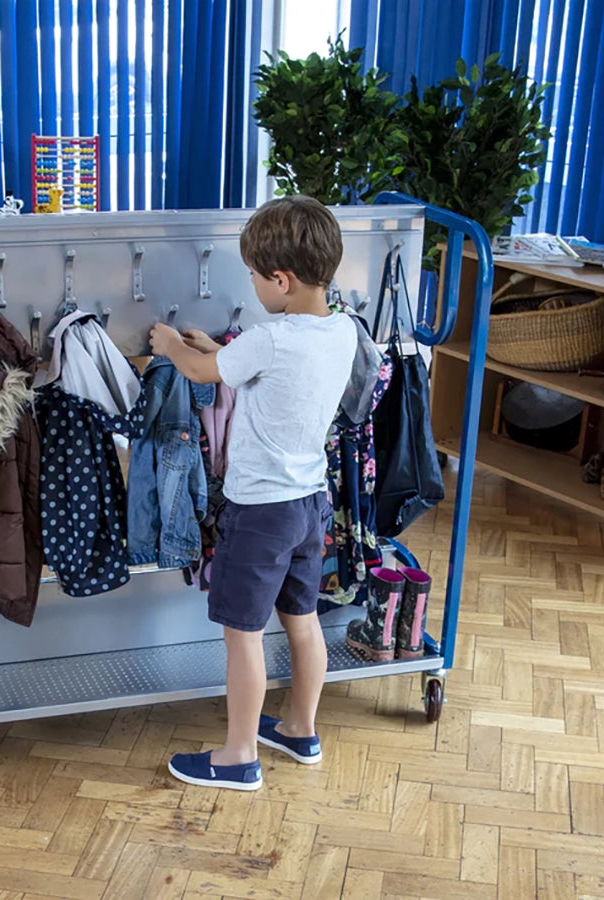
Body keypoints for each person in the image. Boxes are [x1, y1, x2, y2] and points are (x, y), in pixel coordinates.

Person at [150, 195, 359, 791]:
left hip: (260, 511)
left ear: (281, 280)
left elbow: (201, 374)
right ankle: (299, 729)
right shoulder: (341, 329)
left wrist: (171, 345)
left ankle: (237, 756)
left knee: (242, 635)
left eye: (253, 275)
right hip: (308, 505)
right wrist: (218, 350)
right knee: (303, 620)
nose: (252, 284)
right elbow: (268, 372)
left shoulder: (270, 338)